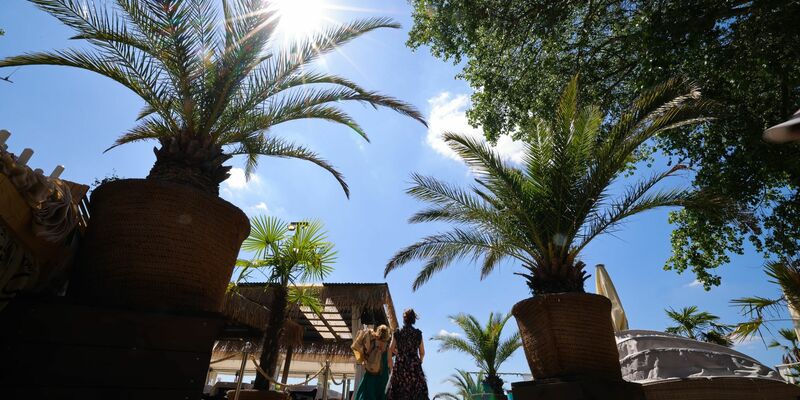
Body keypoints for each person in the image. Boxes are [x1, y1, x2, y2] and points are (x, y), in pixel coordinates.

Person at [387, 309, 429, 400]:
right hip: (414, 366)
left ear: (404, 319)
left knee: (399, 392)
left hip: (400, 365)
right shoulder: (418, 333)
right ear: (414, 319)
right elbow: (422, 352)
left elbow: (391, 349)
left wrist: (399, 354)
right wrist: (419, 361)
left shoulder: (398, 332)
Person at [354, 325, 392, 400]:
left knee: (367, 394)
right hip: (382, 375)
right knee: (380, 395)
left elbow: (366, 354)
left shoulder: (373, 342)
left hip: (371, 373)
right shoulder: (388, 348)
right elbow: (389, 362)